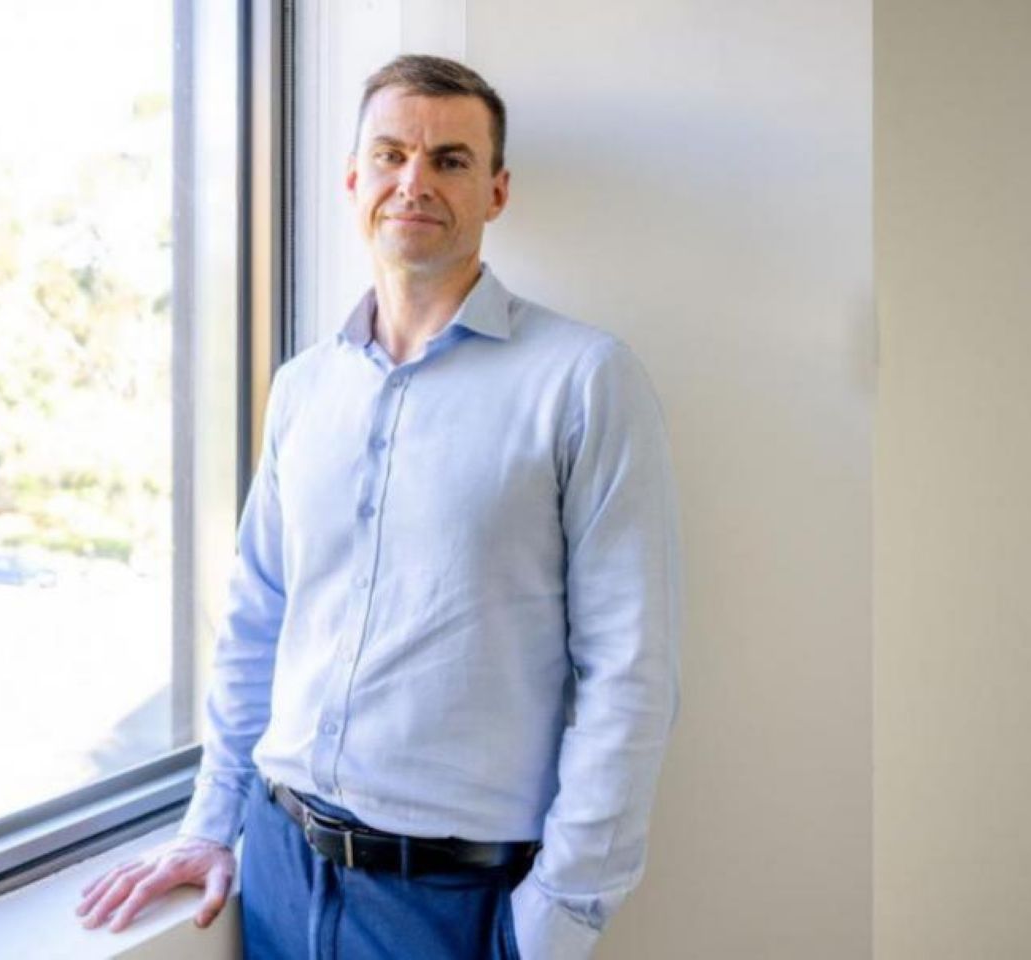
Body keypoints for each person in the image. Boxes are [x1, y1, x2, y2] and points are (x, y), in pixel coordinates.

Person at [76, 54, 681, 959]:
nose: (414, 181)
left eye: (450, 160)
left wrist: (558, 917)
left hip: (453, 901)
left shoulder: (584, 380)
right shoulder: (302, 388)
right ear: (353, 179)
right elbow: (257, 619)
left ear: (496, 190)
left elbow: (630, 670)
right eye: (390, 154)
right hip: (277, 869)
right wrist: (211, 824)